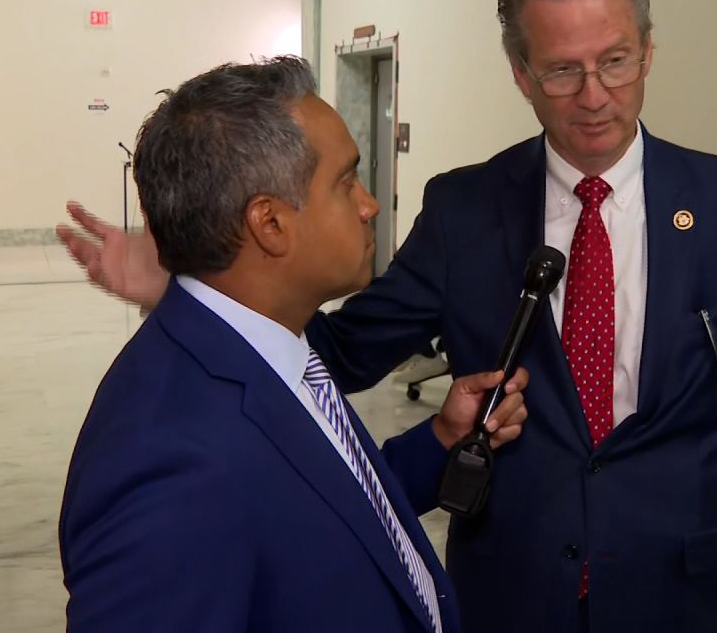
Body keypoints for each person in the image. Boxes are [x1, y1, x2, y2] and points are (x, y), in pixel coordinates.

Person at [58, 0, 717, 633]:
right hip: (510, 594)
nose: (593, 95)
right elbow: (329, 356)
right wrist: (201, 281)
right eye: (561, 71)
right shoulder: (467, 209)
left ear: (647, 52)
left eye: (615, 62)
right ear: (520, 72)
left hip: (676, 596)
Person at [58, 56, 530, 632]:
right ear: (270, 223)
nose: (369, 205)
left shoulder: (271, 352)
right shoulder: (169, 453)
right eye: (345, 182)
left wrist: (440, 440)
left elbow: (319, 513)